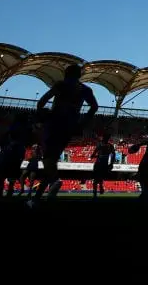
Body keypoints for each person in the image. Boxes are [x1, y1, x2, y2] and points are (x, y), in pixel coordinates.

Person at [30, 64, 98, 207]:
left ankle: (54, 181)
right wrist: (82, 121)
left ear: (66, 74)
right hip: (70, 126)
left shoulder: (61, 85)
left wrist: (43, 114)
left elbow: (42, 101)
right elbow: (94, 106)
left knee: (48, 160)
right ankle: (36, 199)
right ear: (79, 75)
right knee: (52, 161)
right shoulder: (85, 89)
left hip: (55, 123)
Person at [91, 132, 115, 198]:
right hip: (105, 164)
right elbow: (113, 155)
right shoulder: (110, 146)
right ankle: (100, 186)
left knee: (96, 179)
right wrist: (111, 164)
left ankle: (95, 193)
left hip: (99, 163)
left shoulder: (99, 145)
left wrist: (95, 156)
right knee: (100, 176)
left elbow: (93, 154)